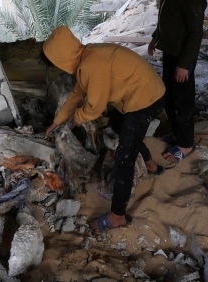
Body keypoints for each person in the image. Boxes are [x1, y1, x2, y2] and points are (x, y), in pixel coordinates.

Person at [43, 26, 165, 231]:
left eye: (56, 64)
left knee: (125, 156)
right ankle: (151, 164)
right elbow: (76, 95)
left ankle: (117, 215)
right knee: (118, 126)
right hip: (140, 93)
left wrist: (75, 121)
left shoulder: (91, 64)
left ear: (62, 59)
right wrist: (58, 121)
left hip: (146, 99)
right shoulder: (86, 56)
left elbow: (95, 108)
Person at [147, 0, 208, 163]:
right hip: (170, 52)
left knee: (182, 101)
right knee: (170, 96)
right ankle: (176, 133)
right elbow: (165, 18)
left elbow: (195, 34)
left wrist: (184, 65)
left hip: (183, 58)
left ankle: (185, 144)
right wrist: (156, 37)